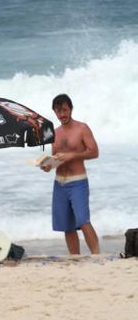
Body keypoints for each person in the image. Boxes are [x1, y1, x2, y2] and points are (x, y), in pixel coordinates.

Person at [41, 94, 100, 255]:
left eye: (65, 110)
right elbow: (56, 158)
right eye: (58, 111)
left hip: (78, 181)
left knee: (83, 220)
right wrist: (48, 166)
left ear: (71, 109)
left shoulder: (82, 128)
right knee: (67, 225)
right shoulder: (54, 132)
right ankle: (75, 258)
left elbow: (94, 152)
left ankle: (97, 255)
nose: (62, 115)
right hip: (59, 183)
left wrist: (73, 156)